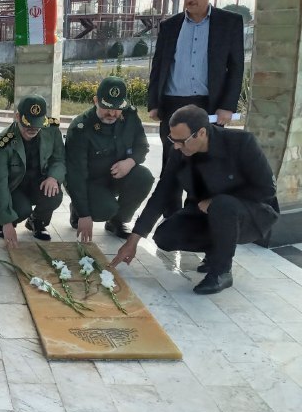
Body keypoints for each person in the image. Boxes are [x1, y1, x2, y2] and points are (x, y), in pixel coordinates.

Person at [111, 105, 279, 295]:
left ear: (201, 133)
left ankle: (221, 271)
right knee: (165, 236)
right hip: (205, 212)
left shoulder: (241, 143)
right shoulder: (179, 151)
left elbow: (267, 190)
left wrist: (215, 201)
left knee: (223, 205)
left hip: (251, 215)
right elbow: (162, 193)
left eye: (181, 141)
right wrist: (133, 240)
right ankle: (215, 250)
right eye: (172, 140)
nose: (176, 146)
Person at [148, 0, 245, 215]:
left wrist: (227, 106)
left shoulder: (229, 23)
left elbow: (236, 67)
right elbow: (158, 66)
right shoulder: (170, 26)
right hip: (172, 104)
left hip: (207, 105)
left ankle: (195, 216)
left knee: (202, 164)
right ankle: (171, 218)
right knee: (171, 163)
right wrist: (153, 103)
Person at [65, 76, 154, 242]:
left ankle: (117, 222)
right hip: (91, 182)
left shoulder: (130, 116)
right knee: (104, 209)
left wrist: (130, 162)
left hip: (118, 177)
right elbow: (75, 176)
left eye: (117, 108)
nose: (112, 113)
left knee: (144, 177)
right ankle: (78, 210)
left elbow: (142, 146)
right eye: (107, 107)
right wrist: (84, 214)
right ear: (95, 101)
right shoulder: (80, 128)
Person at [0, 94, 65, 246]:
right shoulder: (2, 143)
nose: (33, 129)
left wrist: (53, 177)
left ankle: (37, 221)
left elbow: (59, 159)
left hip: (36, 182)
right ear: (17, 116)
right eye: (28, 124)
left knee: (54, 194)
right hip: (12, 187)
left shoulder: (52, 131)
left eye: (37, 124)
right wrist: (7, 221)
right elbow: (0, 183)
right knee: (22, 210)